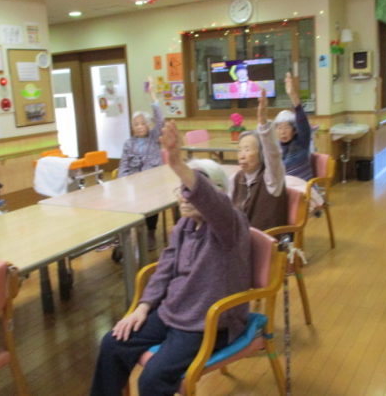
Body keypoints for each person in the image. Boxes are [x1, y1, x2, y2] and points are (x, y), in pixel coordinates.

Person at [90, 120, 252, 396]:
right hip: (173, 312)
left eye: (192, 191)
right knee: (112, 343)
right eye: (181, 190)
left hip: (210, 322)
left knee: (151, 379)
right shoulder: (184, 226)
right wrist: (143, 307)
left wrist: (177, 164)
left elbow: (214, 202)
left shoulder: (230, 223)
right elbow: (164, 269)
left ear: (215, 193)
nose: (185, 198)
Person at [231, 88, 288, 231]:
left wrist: (262, 121)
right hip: (240, 239)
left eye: (247, 149)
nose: (242, 155)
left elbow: (273, 154)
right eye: (240, 150)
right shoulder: (236, 179)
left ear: (261, 153)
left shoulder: (271, 178)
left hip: (267, 241)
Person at [118, 76, 165, 250]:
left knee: (152, 201)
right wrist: (121, 183)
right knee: (124, 200)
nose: (139, 127)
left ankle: (150, 231)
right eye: (136, 124)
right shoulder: (128, 143)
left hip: (153, 181)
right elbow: (123, 165)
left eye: (142, 123)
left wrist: (152, 95)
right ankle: (124, 235)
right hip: (134, 183)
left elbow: (161, 121)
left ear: (148, 125)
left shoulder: (154, 137)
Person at [275, 72, 314, 181]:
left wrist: (292, 95)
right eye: (279, 128)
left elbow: (302, 122)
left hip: (303, 187)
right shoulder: (276, 148)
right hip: (284, 188)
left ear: (294, 130)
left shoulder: (301, 142)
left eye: (287, 128)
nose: (283, 132)